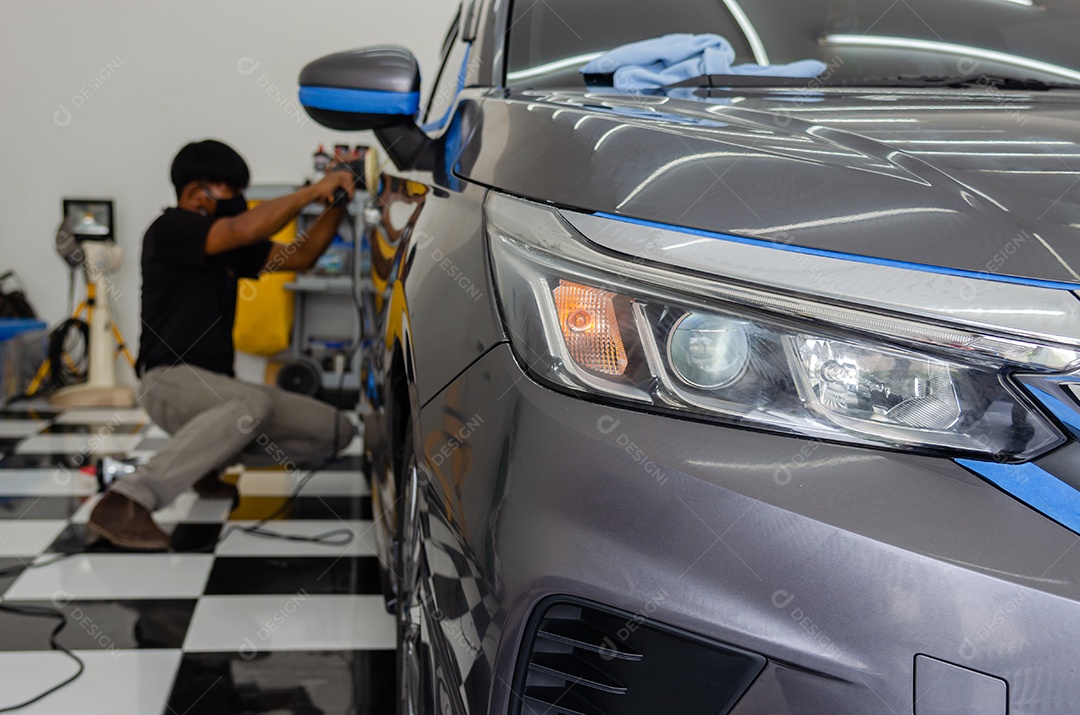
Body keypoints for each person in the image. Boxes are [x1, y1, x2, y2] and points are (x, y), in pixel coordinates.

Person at [88, 139, 359, 550]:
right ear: (198, 191)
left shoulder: (230, 251)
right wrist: (310, 189)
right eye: (231, 190)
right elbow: (245, 227)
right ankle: (127, 500)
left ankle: (204, 463)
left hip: (215, 387)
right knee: (254, 406)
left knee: (335, 430)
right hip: (168, 380)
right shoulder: (171, 229)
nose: (240, 201)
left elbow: (300, 257)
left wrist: (335, 202)